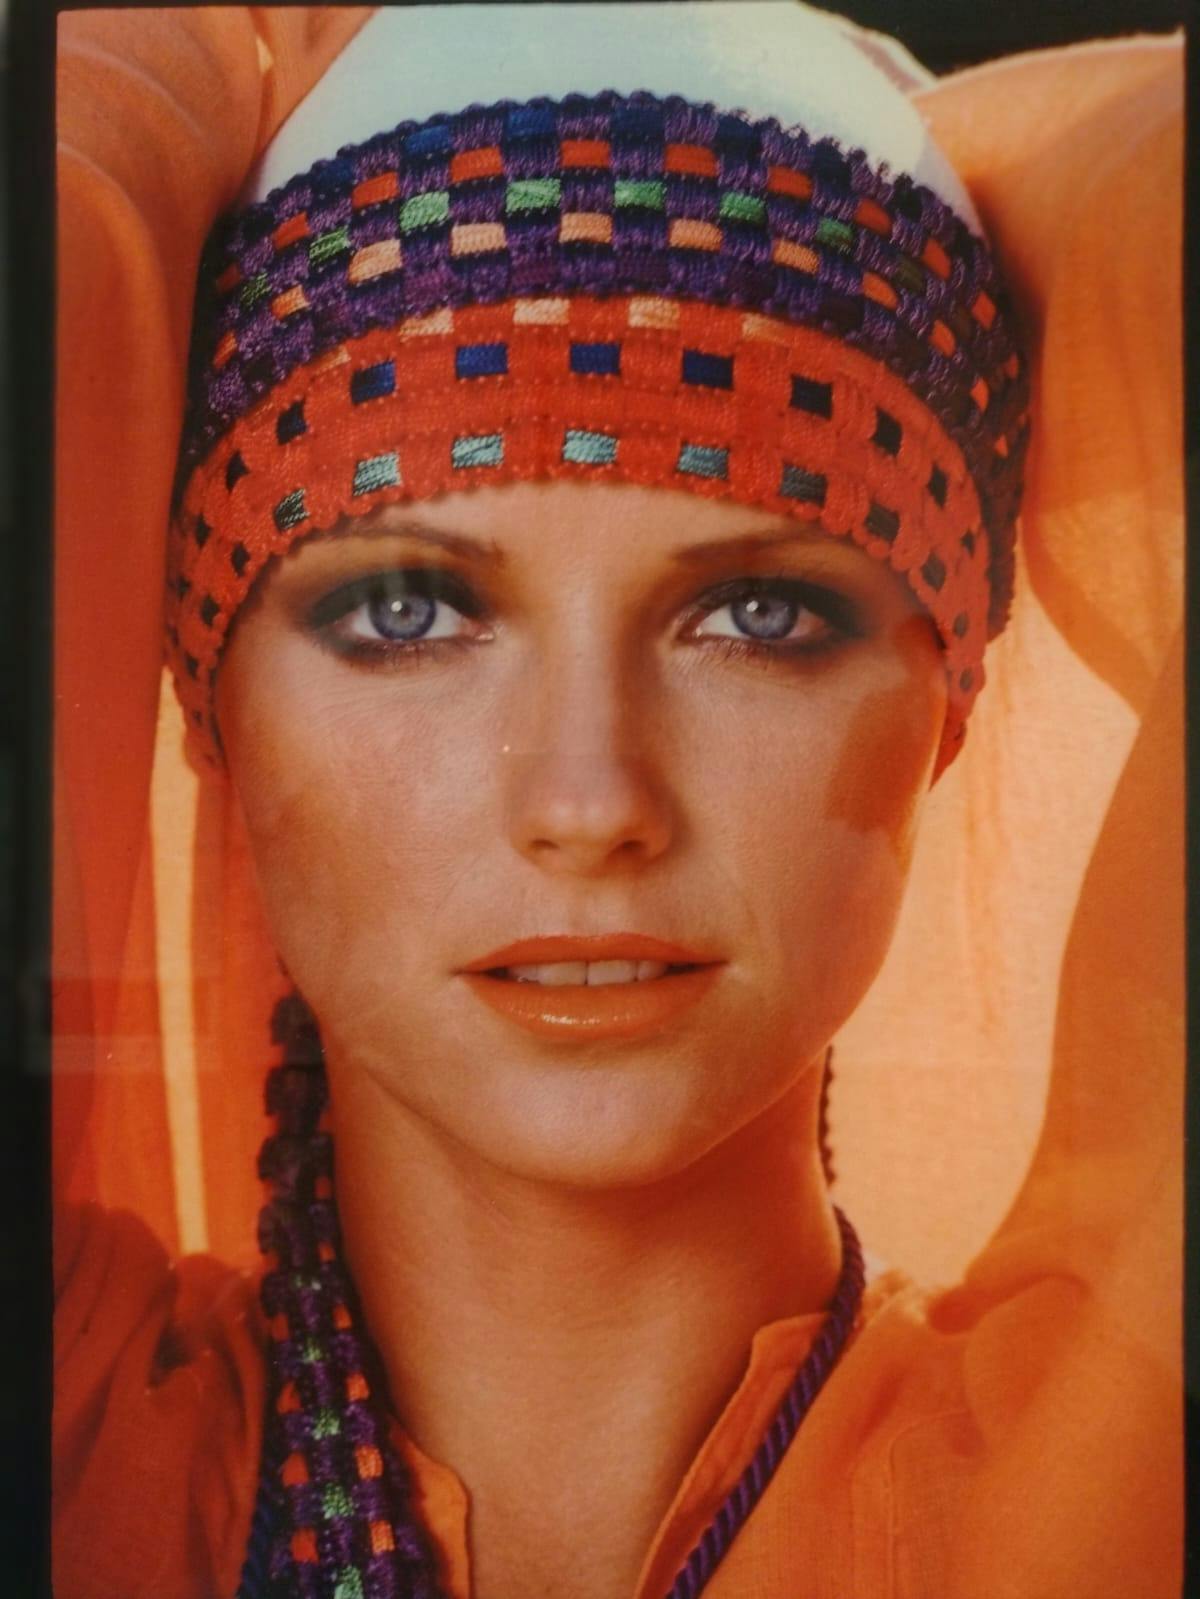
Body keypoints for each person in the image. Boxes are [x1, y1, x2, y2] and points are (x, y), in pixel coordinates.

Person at [53, 6, 1183, 1598]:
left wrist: (944, 167)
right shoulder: (68, 1466)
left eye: (760, 615)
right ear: (207, 696)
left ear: (947, 698)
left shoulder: (1122, 1488)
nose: (590, 804)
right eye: (406, 612)